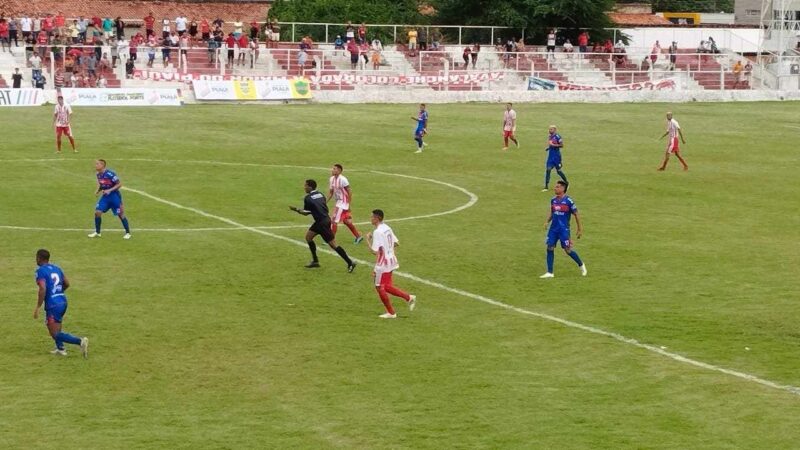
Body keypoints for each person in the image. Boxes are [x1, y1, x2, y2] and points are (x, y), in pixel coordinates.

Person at [289, 179, 357, 272]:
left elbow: (306, 212)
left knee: (333, 245)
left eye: (305, 186)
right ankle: (315, 261)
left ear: (310, 187)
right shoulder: (321, 194)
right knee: (308, 237)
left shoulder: (308, 198)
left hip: (321, 223)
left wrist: (297, 210)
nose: (304, 187)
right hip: (324, 220)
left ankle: (350, 262)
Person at [33, 249, 90, 357]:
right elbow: (67, 283)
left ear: (39, 258)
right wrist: (58, 292)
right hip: (62, 301)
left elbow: (42, 289)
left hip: (53, 304)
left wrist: (38, 306)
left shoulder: (40, 271)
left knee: (54, 333)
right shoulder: (57, 268)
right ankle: (60, 348)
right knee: (56, 327)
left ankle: (80, 341)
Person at [366, 209, 416, 319]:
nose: (370, 219)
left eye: (372, 217)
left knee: (379, 287)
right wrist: (388, 249)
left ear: (377, 218)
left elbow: (374, 251)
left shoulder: (377, 232)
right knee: (387, 286)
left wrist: (368, 240)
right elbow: (396, 243)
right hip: (391, 260)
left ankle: (391, 313)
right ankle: (409, 298)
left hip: (382, 264)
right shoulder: (387, 227)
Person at [540, 181, 586, 279]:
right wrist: (547, 221)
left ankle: (581, 265)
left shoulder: (569, 201)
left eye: (557, 187)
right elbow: (553, 212)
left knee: (568, 250)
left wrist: (579, 228)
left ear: (562, 189)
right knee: (549, 247)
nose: (555, 188)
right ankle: (550, 272)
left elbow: (576, 214)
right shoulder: (553, 200)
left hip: (564, 230)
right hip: (553, 229)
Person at [89, 159, 132, 239]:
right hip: (105, 197)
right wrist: (97, 191)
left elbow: (119, 184)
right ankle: (97, 232)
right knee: (97, 212)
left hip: (114, 196)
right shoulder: (98, 174)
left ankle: (128, 233)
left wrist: (109, 190)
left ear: (102, 165)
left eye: (97, 164)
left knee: (120, 214)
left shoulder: (110, 174)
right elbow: (102, 184)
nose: (95, 165)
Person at [327, 164, 364, 243]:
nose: (332, 170)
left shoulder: (343, 179)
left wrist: (348, 204)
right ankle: (358, 236)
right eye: (333, 169)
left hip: (342, 203)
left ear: (339, 171)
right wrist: (325, 201)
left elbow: (349, 191)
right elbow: (331, 192)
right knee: (346, 221)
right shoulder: (331, 179)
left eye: (334, 169)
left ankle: (331, 240)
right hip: (338, 202)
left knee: (334, 221)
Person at [542, 125, 568, 191]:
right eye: (549, 129)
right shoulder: (550, 136)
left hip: (556, 156)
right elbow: (551, 145)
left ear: (554, 130)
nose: (549, 131)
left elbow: (562, 145)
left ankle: (566, 182)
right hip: (550, 156)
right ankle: (546, 186)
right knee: (548, 170)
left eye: (551, 129)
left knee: (558, 171)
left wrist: (554, 145)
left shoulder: (558, 137)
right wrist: (549, 148)